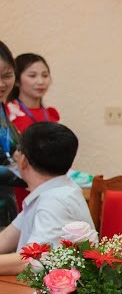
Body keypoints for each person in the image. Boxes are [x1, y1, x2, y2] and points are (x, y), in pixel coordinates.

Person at [0, 123, 93, 275]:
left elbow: (33, 261)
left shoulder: (55, 201)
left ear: (23, 161)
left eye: (19, 149)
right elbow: (4, 240)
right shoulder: (54, 190)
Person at [5, 53, 60, 133]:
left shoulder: (51, 114)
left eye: (45, 75)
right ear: (16, 80)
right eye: (32, 76)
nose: (41, 82)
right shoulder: (6, 113)